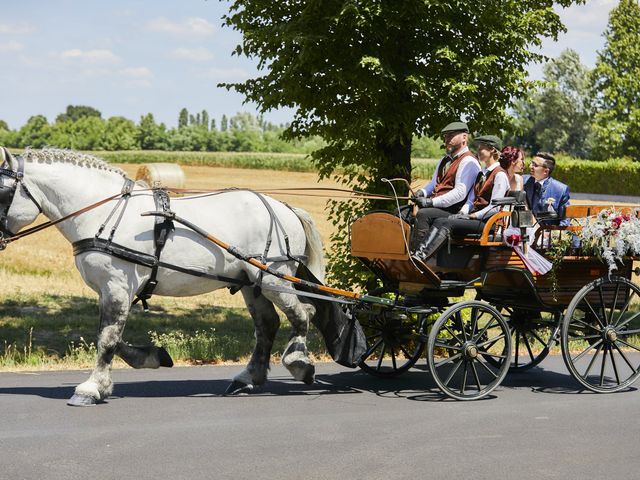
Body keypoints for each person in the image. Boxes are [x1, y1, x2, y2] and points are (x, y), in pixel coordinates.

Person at [412, 134, 509, 262]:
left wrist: (473, 216)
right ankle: (420, 255)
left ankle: (421, 257)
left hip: (488, 223)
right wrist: (462, 213)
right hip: (474, 220)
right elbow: (471, 199)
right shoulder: (482, 173)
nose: (478, 151)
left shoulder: (500, 175)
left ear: (492, 150)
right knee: (441, 220)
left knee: (445, 222)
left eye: (481, 148)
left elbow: (495, 208)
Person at [411, 121, 481, 252]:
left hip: (454, 209)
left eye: (451, 136)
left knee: (423, 214)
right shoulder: (444, 160)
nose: (447, 139)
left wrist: (431, 202)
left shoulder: (469, 161)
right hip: (439, 206)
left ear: (464, 137)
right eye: (445, 136)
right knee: (404, 212)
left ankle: (418, 256)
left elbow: (460, 193)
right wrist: (421, 193)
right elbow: (433, 184)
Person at [523, 152, 570, 226]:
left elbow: (565, 220)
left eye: (535, 165)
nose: (530, 166)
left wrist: (553, 234)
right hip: (525, 230)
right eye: (531, 163)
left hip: (548, 233)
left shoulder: (560, 190)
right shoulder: (523, 181)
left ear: (546, 171)